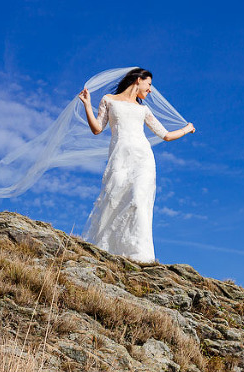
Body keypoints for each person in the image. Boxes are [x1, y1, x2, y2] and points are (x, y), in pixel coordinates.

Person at [78, 68, 195, 262]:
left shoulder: (143, 110)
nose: (150, 90)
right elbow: (97, 129)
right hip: (120, 158)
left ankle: (141, 256)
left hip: (143, 159)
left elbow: (165, 135)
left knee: (139, 200)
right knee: (115, 200)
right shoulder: (109, 100)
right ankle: (112, 251)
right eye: (148, 85)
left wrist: (186, 129)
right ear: (138, 80)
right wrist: (87, 105)